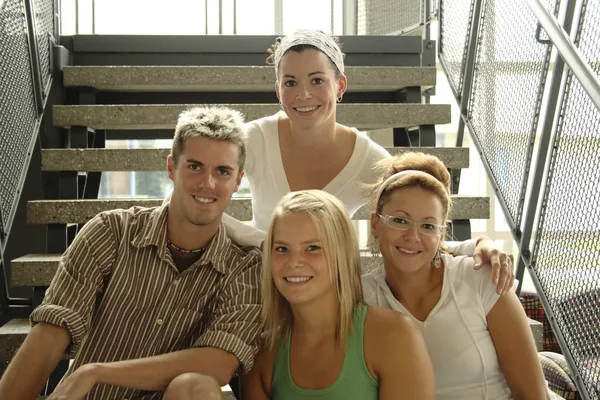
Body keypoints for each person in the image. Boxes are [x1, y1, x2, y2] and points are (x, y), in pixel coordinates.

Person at [0, 107, 263, 400]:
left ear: (238, 181)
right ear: (171, 168)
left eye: (222, 171)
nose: (208, 184)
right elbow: (53, 330)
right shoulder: (111, 232)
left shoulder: (245, 266)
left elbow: (219, 362)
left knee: (197, 387)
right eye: (195, 166)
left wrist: (96, 371)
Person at [230, 29, 515, 295]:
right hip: (259, 282)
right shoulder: (253, 138)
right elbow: (193, 198)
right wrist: (259, 242)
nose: (303, 94)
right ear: (278, 90)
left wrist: (477, 244)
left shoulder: (370, 160)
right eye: (291, 82)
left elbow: (414, 230)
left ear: (340, 85)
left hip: (329, 290)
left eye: (317, 80)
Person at [362, 152, 553, 399]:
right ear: (375, 223)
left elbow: (534, 394)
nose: (413, 236)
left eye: (428, 225)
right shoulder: (360, 300)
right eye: (400, 220)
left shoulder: (480, 279)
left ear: (441, 234)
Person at [243, 190, 435, 399]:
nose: (294, 262)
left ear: (341, 254)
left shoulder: (393, 336)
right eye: (281, 249)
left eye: (313, 247)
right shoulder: (263, 353)